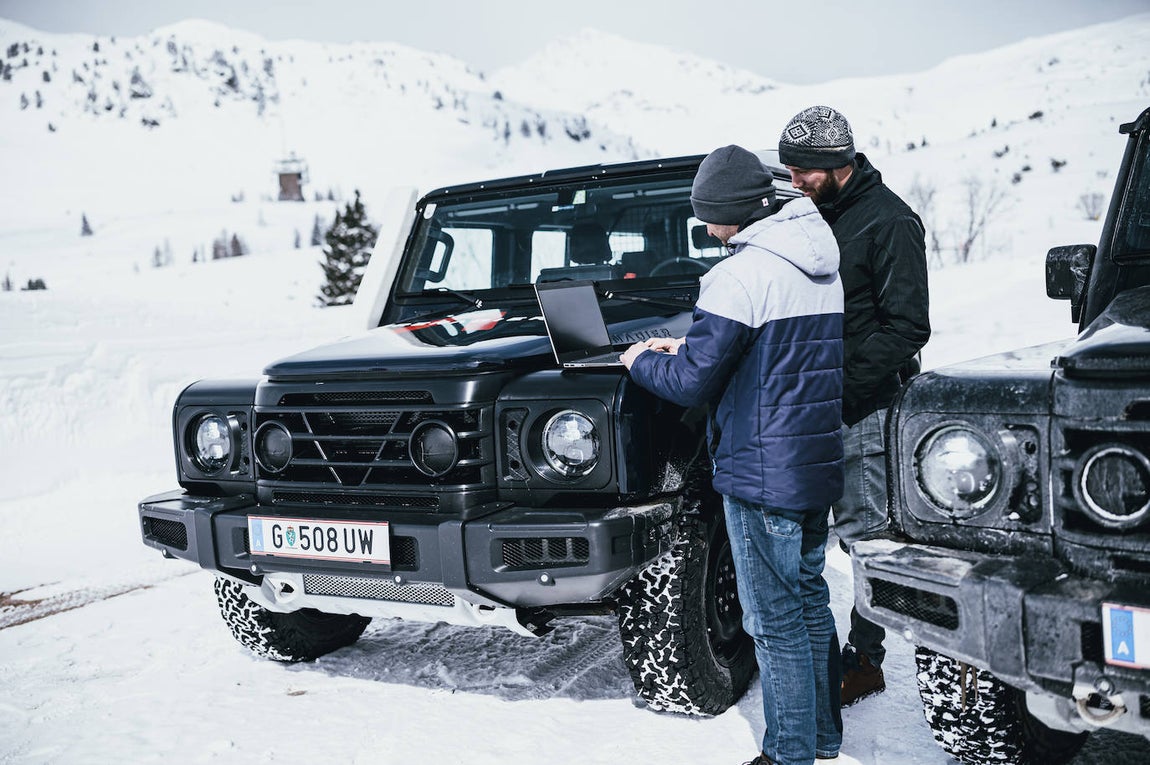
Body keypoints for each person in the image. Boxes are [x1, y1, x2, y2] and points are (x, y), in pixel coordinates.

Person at [621, 144, 844, 765]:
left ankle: (788, 754)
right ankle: (822, 737)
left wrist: (639, 361)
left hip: (761, 468)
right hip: (812, 458)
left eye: (707, 213)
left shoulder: (738, 275)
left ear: (729, 211)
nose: (704, 224)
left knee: (772, 621)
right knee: (808, 600)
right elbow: (777, 353)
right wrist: (692, 345)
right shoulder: (816, 260)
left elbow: (692, 383)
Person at [778, 105, 931, 707]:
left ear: (837, 163)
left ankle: (866, 660)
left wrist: (839, 389)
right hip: (810, 404)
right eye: (789, 169)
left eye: (803, 171)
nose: (794, 181)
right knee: (806, 535)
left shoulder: (890, 221)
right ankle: (808, 650)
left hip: (862, 408)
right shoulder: (812, 212)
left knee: (867, 542)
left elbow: (907, 327)